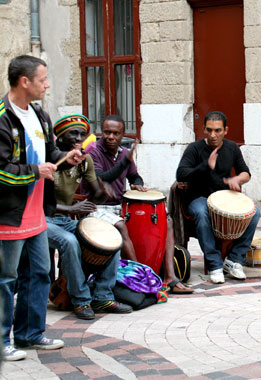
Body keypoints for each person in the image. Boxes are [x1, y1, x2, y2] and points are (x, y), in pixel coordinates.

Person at [0, 55, 83, 361]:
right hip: (9, 215)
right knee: (6, 279)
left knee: (39, 274)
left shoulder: (40, 115)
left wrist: (65, 157)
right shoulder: (2, 118)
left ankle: (30, 334)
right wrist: (36, 171)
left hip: (37, 213)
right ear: (25, 82)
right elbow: (1, 170)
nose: (47, 84)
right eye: (43, 79)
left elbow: (49, 152)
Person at [82, 115, 193, 293]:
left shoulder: (124, 154)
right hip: (96, 207)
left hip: (119, 205)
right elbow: (102, 177)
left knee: (167, 221)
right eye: (107, 132)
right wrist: (124, 163)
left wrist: (137, 183)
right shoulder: (93, 153)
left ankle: (170, 277)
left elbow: (134, 175)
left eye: (116, 133)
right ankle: (142, 277)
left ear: (122, 135)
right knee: (122, 226)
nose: (111, 137)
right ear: (101, 132)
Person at [45, 114, 133, 320]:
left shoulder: (85, 161)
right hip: (43, 220)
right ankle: (81, 300)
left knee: (110, 237)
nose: (78, 138)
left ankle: (103, 295)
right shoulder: (50, 160)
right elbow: (41, 203)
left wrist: (103, 190)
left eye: (82, 134)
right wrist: (71, 208)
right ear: (59, 139)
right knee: (70, 242)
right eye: (72, 133)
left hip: (66, 220)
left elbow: (96, 192)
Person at [176, 111, 260, 284]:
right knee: (201, 212)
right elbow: (181, 173)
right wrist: (205, 166)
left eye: (218, 130)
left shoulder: (232, 148)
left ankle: (234, 260)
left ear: (225, 130)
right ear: (204, 130)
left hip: (225, 197)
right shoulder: (194, 149)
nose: (213, 135)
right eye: (209, 130)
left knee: (255, 212)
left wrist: (237, 179)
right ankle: (215, 264)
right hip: (199, 197)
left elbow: (246, 173)